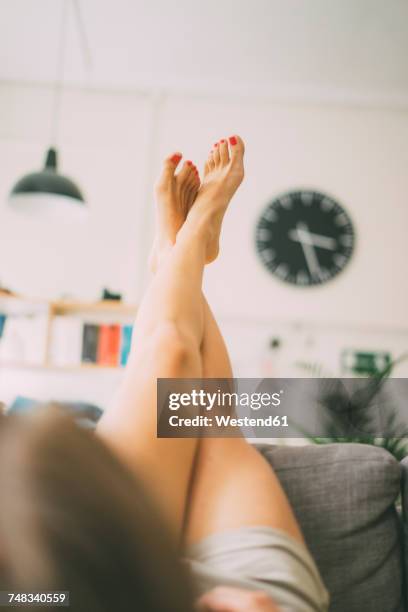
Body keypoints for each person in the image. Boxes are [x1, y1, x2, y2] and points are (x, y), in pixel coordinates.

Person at [0, 136, 329, 611]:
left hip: (92, 573)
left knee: (174, 352)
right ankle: (182, 250)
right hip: (233, 586)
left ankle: (182, 251)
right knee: (211, 415)